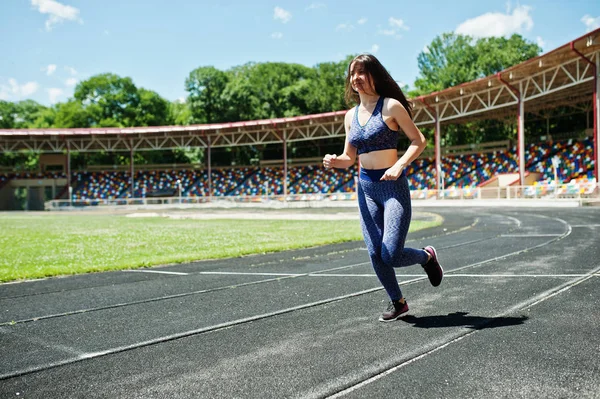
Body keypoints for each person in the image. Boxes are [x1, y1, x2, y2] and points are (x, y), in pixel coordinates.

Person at [322, 54, 443, 322]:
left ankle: (426, 258)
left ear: (375, 75)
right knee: (375, 252)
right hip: (366, 189)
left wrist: (400, 165)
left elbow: (418, 141)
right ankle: (398, 302)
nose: (357, 78)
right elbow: (349, 158)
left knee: (390, 252)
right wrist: (334, 161)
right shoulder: (350, 116)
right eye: (353, 73)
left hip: (392, 188)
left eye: (363, 72)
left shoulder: (391, 106)